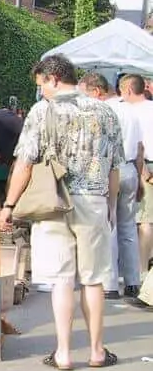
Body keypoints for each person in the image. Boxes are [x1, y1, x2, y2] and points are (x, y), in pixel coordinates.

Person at [0, 54, 123, 370]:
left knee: (62, 280)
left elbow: (24, 165)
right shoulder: (104, 109)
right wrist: (110, 207)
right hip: (94, 202)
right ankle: (96, 350)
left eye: (42, 84)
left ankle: (64, 353)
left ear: (53, 78)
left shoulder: (42, 112)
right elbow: (114, 168)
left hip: (52, 203)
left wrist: (9, 206)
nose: (41, 91)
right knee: (94, 281)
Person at [78, 73, 144, 299]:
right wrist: (139, 174)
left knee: (109, 225)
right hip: (131, 169)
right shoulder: (130, 111)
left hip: (109, 169)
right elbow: (140, 147)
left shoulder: (103, 112)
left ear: (96, 91)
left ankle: (110, 283)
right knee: (128, 228)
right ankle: (133, 281)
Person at [121, 74, 153, 275]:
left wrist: (144, 173)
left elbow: (138, 146)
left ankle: (141, 272)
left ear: (129, 90)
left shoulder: (131, 112)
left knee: (144, 221)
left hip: (143, 167)